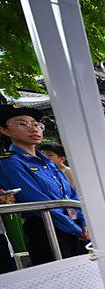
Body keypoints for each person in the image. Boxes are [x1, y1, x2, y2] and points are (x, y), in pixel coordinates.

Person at [0, 105, 88, 264]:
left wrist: (83, 222)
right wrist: (75, 229)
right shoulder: (9, 163)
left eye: (35, 124)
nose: (33, 129)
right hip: (46, 229)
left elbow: (70, 194)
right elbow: (36, 199)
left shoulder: (47, 161)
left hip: (72, 227)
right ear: (5, 130)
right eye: (22, 124)